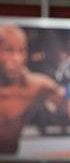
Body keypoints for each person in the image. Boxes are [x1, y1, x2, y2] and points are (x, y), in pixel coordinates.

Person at [0, 25, 63, 154]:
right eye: (8, 50)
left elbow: (64, 100)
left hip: (12, 161)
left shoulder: (38, 85)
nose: (17, 59)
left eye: (22, 51)